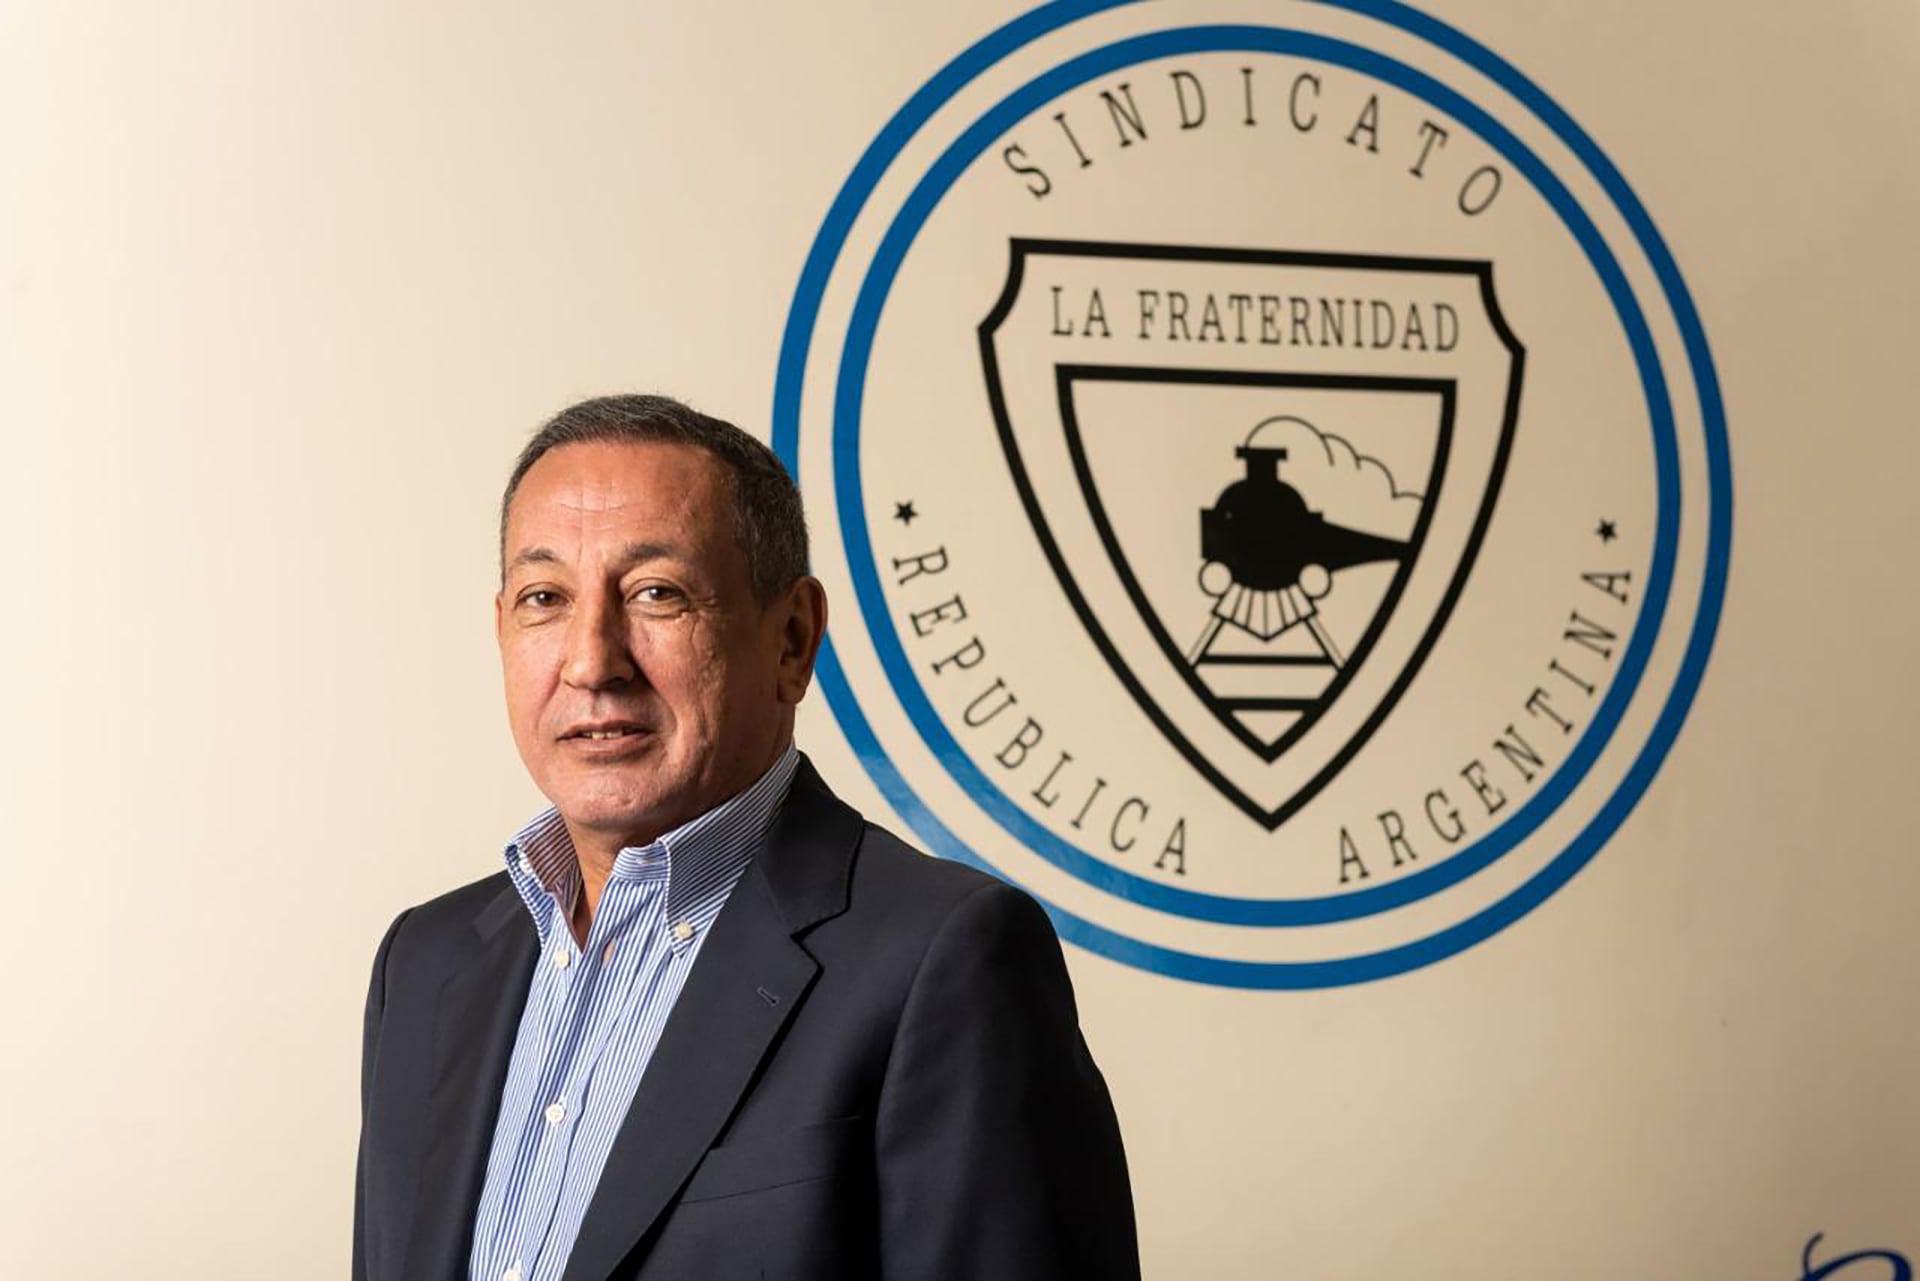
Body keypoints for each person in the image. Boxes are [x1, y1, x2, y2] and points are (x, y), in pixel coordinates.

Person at [354, 394, 1138, 1281]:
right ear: (502, 627)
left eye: (657, 593)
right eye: (545, 598)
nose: (591, 660)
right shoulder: (423, 965)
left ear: (793, 639)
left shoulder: (946, 962)